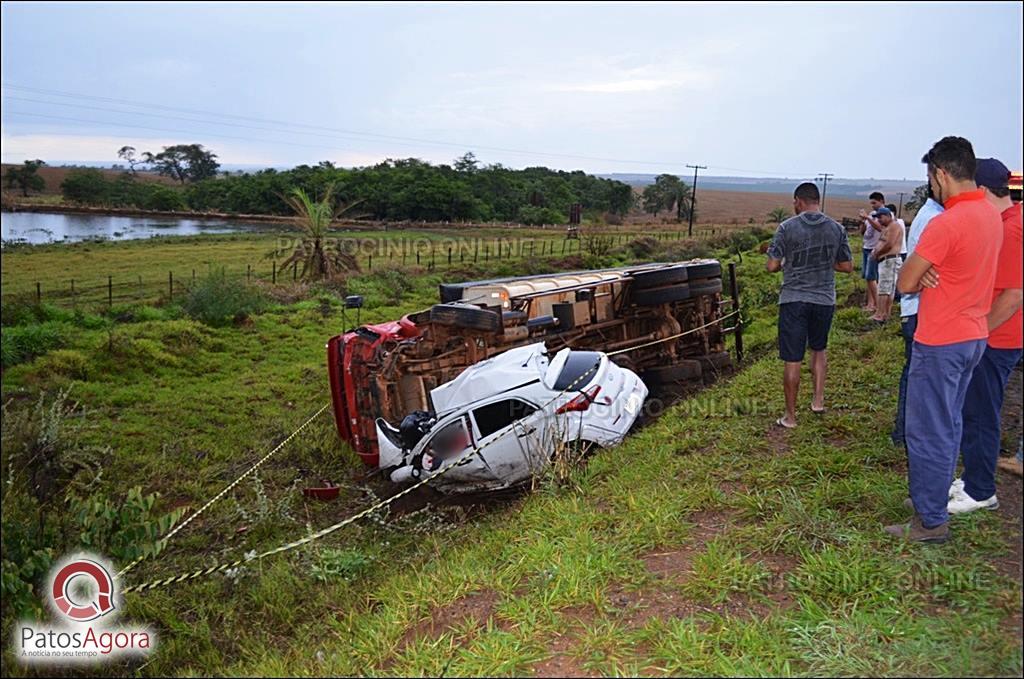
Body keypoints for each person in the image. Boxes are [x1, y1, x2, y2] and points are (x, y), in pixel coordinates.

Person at [886, 136, 1003, 543]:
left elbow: (904, 282)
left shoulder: (946, 223)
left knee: (928, 429)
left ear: (940, 174)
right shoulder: (991, 215)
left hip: (940, 340)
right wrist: (930, 273)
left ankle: (931, 521)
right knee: (949, 423)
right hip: (974, 335)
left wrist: (923, 273)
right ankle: (931, 495)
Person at [947, 157, 1023, 513]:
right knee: (977, 409)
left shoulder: (1009, 230)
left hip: (998, 337)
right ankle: (974, 474)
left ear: (980, 190)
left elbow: (1012, 296)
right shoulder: (1006, 221)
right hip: (996, 335)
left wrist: (980, 333)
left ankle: (980, 490)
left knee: (981, 413)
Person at [766, 182, 853, 429]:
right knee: (819, 349)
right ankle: (817, 401)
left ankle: (790, 417)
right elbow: (847, 266)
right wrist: (824, 263)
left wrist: (787, 262)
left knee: (792, 359)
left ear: (798, 201)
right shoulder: (837, 228)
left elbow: (772, 266)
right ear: (817, 201)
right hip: (824, 298)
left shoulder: (786, 227)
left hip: (794, 298)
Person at [891, 185, 944, 447]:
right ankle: (907, 434)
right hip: (919, 310)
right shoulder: (936, 219)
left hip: (916, 309)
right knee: (917, 375)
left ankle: (904, 432)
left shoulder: (930, 215)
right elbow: (912, 278)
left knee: (914, 373)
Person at [868, 207, 904, 323]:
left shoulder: (894, 226)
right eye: (877, 217)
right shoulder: (887, 228)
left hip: (890, 260)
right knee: (885, 288)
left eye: (881, 217)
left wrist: (877, 253)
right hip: (885, 261)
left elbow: (889, 244)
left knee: (884, 288)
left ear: (888, 216)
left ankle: (881, 314)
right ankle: (884, 314)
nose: (879, 220)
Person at [858, 192, 886, 312]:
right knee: (868, 278)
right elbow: (863, 232)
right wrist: (862, 222)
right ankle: (871, 303)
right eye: (871, 203)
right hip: (867, 246)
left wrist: (868, 218)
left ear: (881, 201)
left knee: (872, 277)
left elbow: (880, 228)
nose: (872, 205)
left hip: (875, 249)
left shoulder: (884, 214)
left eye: (874, 203)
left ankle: (878, 305)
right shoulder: (872, 214)